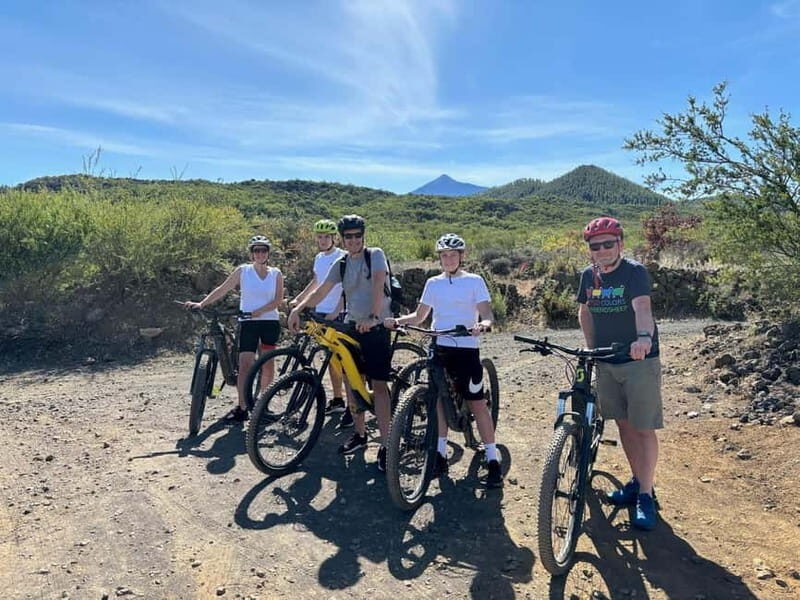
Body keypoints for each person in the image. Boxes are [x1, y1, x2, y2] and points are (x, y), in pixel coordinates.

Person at [385, 233, 503, 488]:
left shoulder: (474, 281)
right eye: (444, 255)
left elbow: (486, 313)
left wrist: (483, 325)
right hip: (439, 346)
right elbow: (420, 316)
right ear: (439, 258)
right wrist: (396, 321)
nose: (448, 259)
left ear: (461, 256)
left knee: (477, 404)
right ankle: (439, 454)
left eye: (453, 255)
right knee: (437, 399)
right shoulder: (433, 283)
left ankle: (493, 459)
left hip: (466, 348)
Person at [287, 215, 394, 472]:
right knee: (350, 381)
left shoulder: (375, 255)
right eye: (349, 237)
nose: (354, 240)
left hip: (376, 326)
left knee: (378, 385)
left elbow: (379, 285)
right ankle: (359, 434)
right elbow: (321, 289)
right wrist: (298, 309)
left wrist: (373, 316)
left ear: (363, 236)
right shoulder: (342, 262)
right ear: (343, 239)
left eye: (358, 236)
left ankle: (388, 445)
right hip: (353, 326)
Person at [576, 217, 661, 530]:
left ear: (620, 244)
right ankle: (637, 481)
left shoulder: (634, 272)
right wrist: (590, 347)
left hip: (639, 361)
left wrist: (643, 338)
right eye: (595, 246)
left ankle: (647, 495)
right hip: (607, 361)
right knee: (624, 425)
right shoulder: (588, 276)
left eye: (608, 243)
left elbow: (642, 308)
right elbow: (584, 311)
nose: (602, 250)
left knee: (643, 427)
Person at [185, 235, 284, 421]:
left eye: (263, 250)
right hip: (248, 324)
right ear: (252, 253)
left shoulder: (276, 273)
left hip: (269, 322)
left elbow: (278, 300)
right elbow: (223, 289)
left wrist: (259, 311)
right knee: (245, 364)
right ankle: (242, 406)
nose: (260, 254)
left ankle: (264, 404)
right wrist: (202, 303)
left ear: (268, 253)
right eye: (256, 250)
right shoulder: (243, 271)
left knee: (267, 364)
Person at [290, 219, 349, 424]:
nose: (323, 240)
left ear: (334, 238)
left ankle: (353, 407)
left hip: (340, 314)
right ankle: (338, 398)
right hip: (321, 312)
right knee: (329, 358)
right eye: (320, 237)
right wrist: (300, 300)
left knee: (345, 361)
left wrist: (337, 310)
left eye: (327, 237)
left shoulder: (342, 256)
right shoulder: (319, 258)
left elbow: (348, 288)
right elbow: (316, 283)